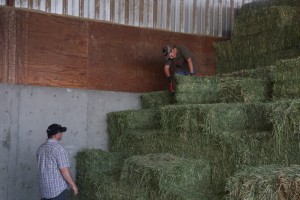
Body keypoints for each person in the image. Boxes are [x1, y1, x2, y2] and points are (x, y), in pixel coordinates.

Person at [36, 124, 78, 200]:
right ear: (56, 134)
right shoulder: (59, 149)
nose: (62, 134)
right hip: (58, 191)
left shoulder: (40, 148)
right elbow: (63, 170)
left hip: (44, 191)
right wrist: (73, 185)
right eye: (61, 132)